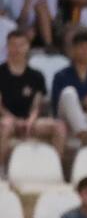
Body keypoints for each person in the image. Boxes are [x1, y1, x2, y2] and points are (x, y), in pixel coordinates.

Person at [0, 29, 66, 165]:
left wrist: (30, 120)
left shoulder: (36, 76)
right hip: (6, 120)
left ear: (27, 47)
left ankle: (55, 168)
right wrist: (14, 120)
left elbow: (36, 105)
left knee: (59, 126)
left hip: (29, 121)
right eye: (13, 45)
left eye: (21, 45)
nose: (17, 49)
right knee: (5, 125)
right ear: (7, 48)